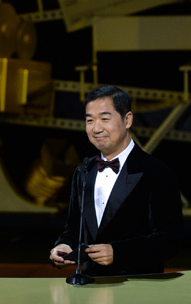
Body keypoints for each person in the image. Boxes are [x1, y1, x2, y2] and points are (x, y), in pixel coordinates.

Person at [49, 85, 183, 277]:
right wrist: (63, 245)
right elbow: (74, 227)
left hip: (137, 293)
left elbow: (171, 240)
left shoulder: (157, 173)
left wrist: (119, 252)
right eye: (90, 120)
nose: (96, 128)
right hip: (90, 292)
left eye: (104, 119)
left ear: (127, 119)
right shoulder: (83, 172)